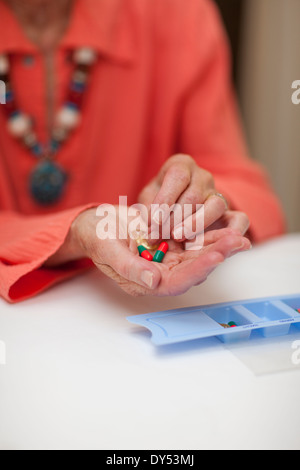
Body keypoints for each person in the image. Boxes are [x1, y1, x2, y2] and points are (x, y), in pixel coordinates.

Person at [0, 0, 285, 303]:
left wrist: (202, 210)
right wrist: (72, 233)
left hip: (130, 318)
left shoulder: (178, 13)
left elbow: (256, 197)